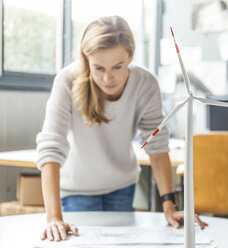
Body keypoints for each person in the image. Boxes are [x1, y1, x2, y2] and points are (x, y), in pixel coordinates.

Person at [36, 15, 206, 242]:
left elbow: (157, 145)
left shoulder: (146, 83)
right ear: (86, 60)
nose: (108, 78)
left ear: (131, 55)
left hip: (121, 187)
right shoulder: (67, 81)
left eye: (118, 66)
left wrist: (169, 206)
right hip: (78, 190)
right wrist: (53, 217)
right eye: (98, 68)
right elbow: (51, 147)